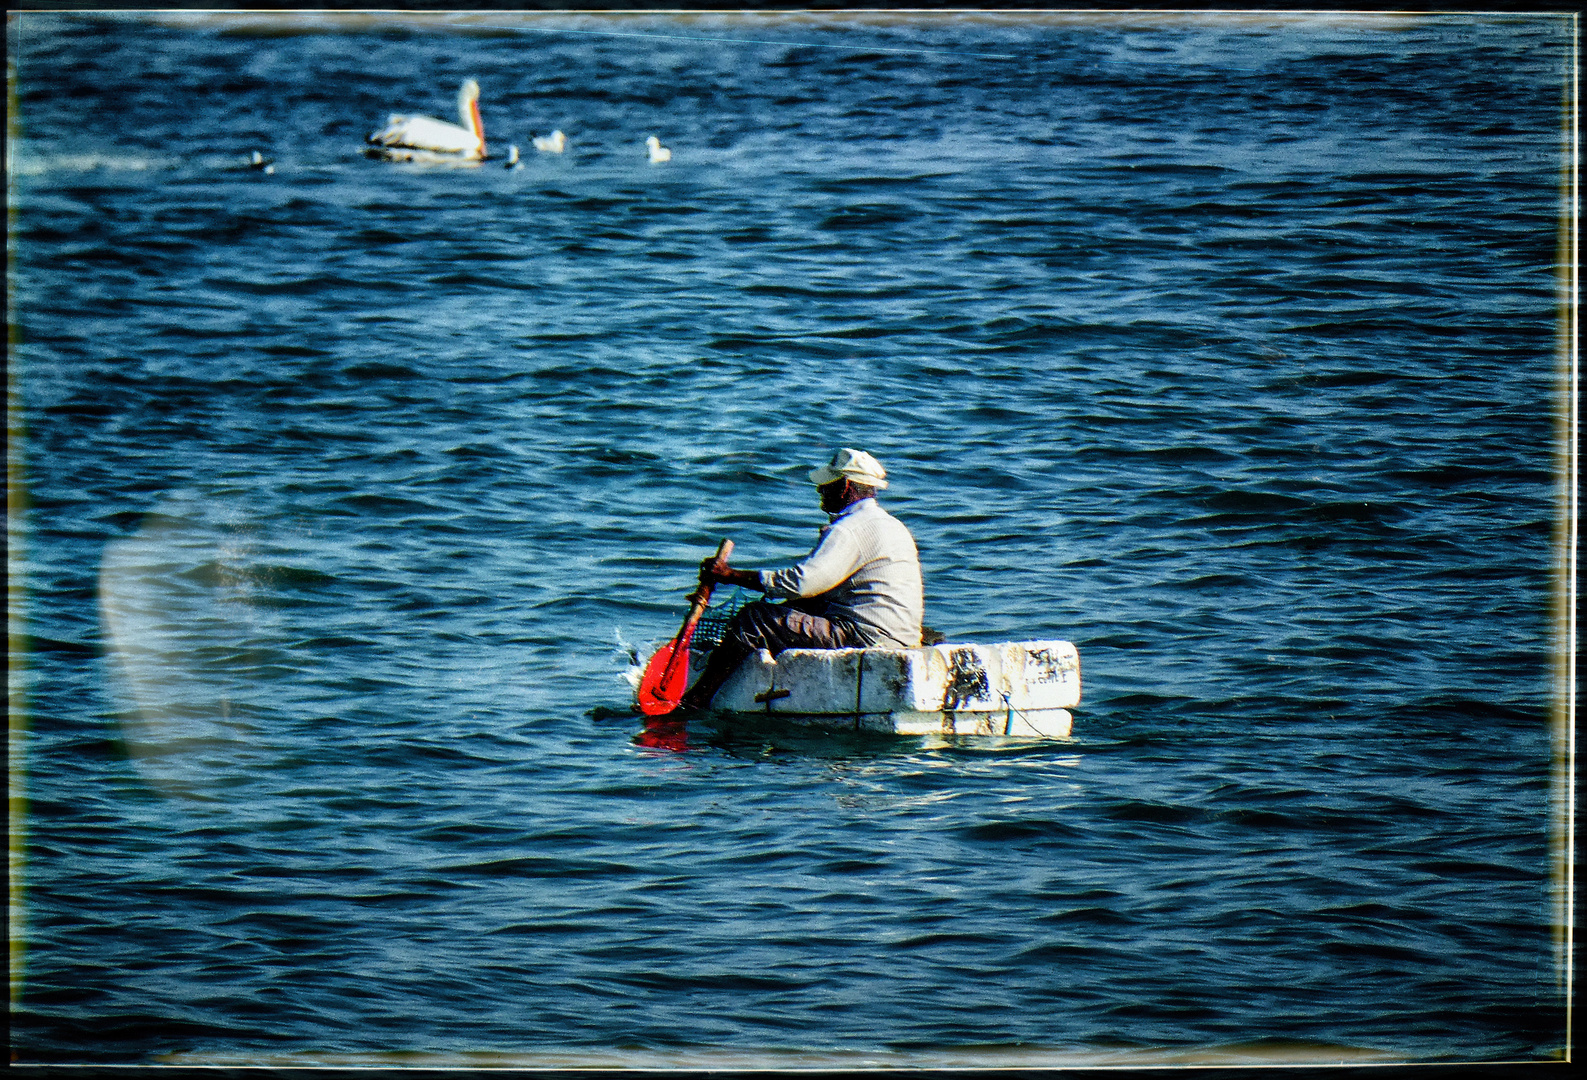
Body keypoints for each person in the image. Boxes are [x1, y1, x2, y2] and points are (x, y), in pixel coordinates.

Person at [677, 448, 924, 711]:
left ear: (845, 487)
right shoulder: (893, 526)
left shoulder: (849, 529)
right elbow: (818, 590)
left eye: (827, 485)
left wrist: (730, 575)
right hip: (899, 636)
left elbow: (802, 583)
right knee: (799, 608)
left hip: (863, 635)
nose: (820, 491)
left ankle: (695, 701)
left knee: (755, 618)